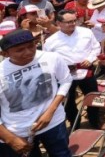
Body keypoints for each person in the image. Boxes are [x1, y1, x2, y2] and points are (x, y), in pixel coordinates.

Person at [0, 29, 73, 157]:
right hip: (17, 132)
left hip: (53, 124)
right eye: (20, 50)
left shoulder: (51, 58)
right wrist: (10, 139)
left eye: (31, 46)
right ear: (5, 53)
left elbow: (66, 80)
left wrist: (50, 111)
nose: (28, 52)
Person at [43, 9, 101, 130]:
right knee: (69, 104)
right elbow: (47, 60)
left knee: (94, 98)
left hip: (86, 72)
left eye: (74, 21)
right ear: (58, 23)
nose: (72, 24)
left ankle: (95, 121)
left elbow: (96, 48)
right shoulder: (50, 41)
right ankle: (75, 124)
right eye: (68, 22)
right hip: (65, 77)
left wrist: (90, 59)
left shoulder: (86, 32)